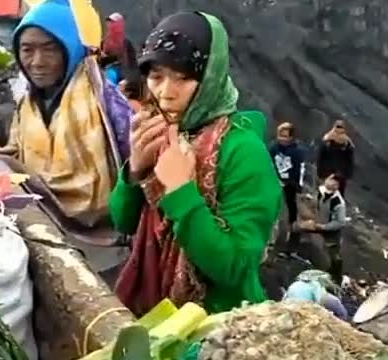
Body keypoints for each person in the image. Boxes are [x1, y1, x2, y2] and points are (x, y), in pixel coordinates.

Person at [110, 11, 281, 315]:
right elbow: (123, 222)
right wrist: (133, 172)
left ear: (210, 76)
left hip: (218, 323)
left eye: (184, 78)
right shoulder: (161, 132)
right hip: (155, 309)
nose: (165, 93)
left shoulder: (243, 151)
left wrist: (180, 191)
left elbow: (235, 268)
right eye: (156, 76)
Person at [8, 0, 133, 283]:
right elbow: (17, 156)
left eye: (50, 48)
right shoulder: (26, 106)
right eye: (27, 50)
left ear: (70, 48)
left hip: (108, 251)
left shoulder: (106, 103)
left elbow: (140, 172)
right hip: (48, 239)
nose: (37, 62)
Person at [289, 174, 347, 282]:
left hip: (330, 233)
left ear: (336, 185)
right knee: (297, 228)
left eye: (330, 179)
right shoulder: (321, 192)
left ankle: (334, 279)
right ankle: (290, 249)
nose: (326, 180)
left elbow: (340, 222)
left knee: (333, 257)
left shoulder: (338, 203)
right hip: (317, 225)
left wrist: (324, 227)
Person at [270, 122, 305, 228]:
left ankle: (292, 226)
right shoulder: (273, 148)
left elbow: (299, 169)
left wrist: (296, 184)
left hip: (290, 182)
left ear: (291, 137)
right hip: (275, 180)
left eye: (285, 136)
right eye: (280, 136)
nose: (282, 139)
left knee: (291, 204)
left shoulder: (297, 152)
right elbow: (269, 163)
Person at [283, 270, 349, 320]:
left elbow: (284, 299)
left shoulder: (294, 284)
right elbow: (322, 301)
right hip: (303, 312)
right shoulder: (315, 285)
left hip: (288, 311)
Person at [317, 119, 354, 196]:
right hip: (327, 174)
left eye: (341, 130)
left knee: (338, 197)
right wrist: (321, 173)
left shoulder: (347, 145)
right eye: (337, 130)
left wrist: (345, 175)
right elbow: (320, 158)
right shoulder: (327, 142)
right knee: (323, 195)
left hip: (340, 176)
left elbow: (350, 162)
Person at [100, 12, 137, 86]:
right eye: (109, 22)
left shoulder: (126, 43)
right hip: (108, 72)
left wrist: (129, 78)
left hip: (123, 73)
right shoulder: (105, 41)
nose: (110, 24)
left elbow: (131, 62)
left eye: (113, 22)